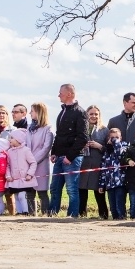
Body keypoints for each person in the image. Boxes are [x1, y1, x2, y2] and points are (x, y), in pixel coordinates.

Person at [48, 84, 88, 217]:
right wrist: (54, 152)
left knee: (71, 189)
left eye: (61, 93)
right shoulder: (62, 112)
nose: (58, 95)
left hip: (72, 158)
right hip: (59, 156)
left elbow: (83, 138)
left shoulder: (80, 113)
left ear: (70, 94)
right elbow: (59, 135)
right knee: (54, 188)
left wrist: (70, 157)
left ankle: (72, 216)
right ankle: (52, 213)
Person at [78, 105, 109, 218]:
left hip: (98, 164)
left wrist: (99, 146)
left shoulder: (105, 130)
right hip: (83, 164)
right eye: (91, 114)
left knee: (99, 192)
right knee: (82, 191)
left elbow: (109, 149)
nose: (94, 116)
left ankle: (104, 215)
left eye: (96, 114)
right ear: (87, 115)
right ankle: (81, 214)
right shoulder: (81, 128)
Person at [26, 103, 54, 216]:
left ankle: (46, 214)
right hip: (28, 163)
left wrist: (33, 160)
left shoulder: (48, 129)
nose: (30, 113)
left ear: (39, 112)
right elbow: (26, 144)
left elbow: (46, 148)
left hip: (41, 164)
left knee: (42, 192)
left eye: (32, 111)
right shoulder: (29, 128)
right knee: (29, 192)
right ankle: (31, 214)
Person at [5, 128, 38, 215]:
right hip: (14, 180)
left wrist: (30, 174)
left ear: (18, 139)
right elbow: (7, 165)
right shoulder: (9, 152)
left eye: (12, 138)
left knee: (22, 195)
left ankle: (25, 211)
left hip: (24, 180)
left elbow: (33, 163)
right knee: (16, 196)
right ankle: (19, 212)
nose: (9, 140)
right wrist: (8, 176)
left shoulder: (26, 150)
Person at [98, 128, 129, 219]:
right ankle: (115, 219)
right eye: (112, 137)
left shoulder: (124, 146)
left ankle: (122, 218)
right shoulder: (107, 151)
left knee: (120, 203)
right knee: (112, 205)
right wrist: (101, 184)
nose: (114, 139)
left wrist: (116, 142)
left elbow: (120, 154)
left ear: (121, 138)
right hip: (109, 183)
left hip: (120, 182)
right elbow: (103, 168)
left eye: (117, 137)